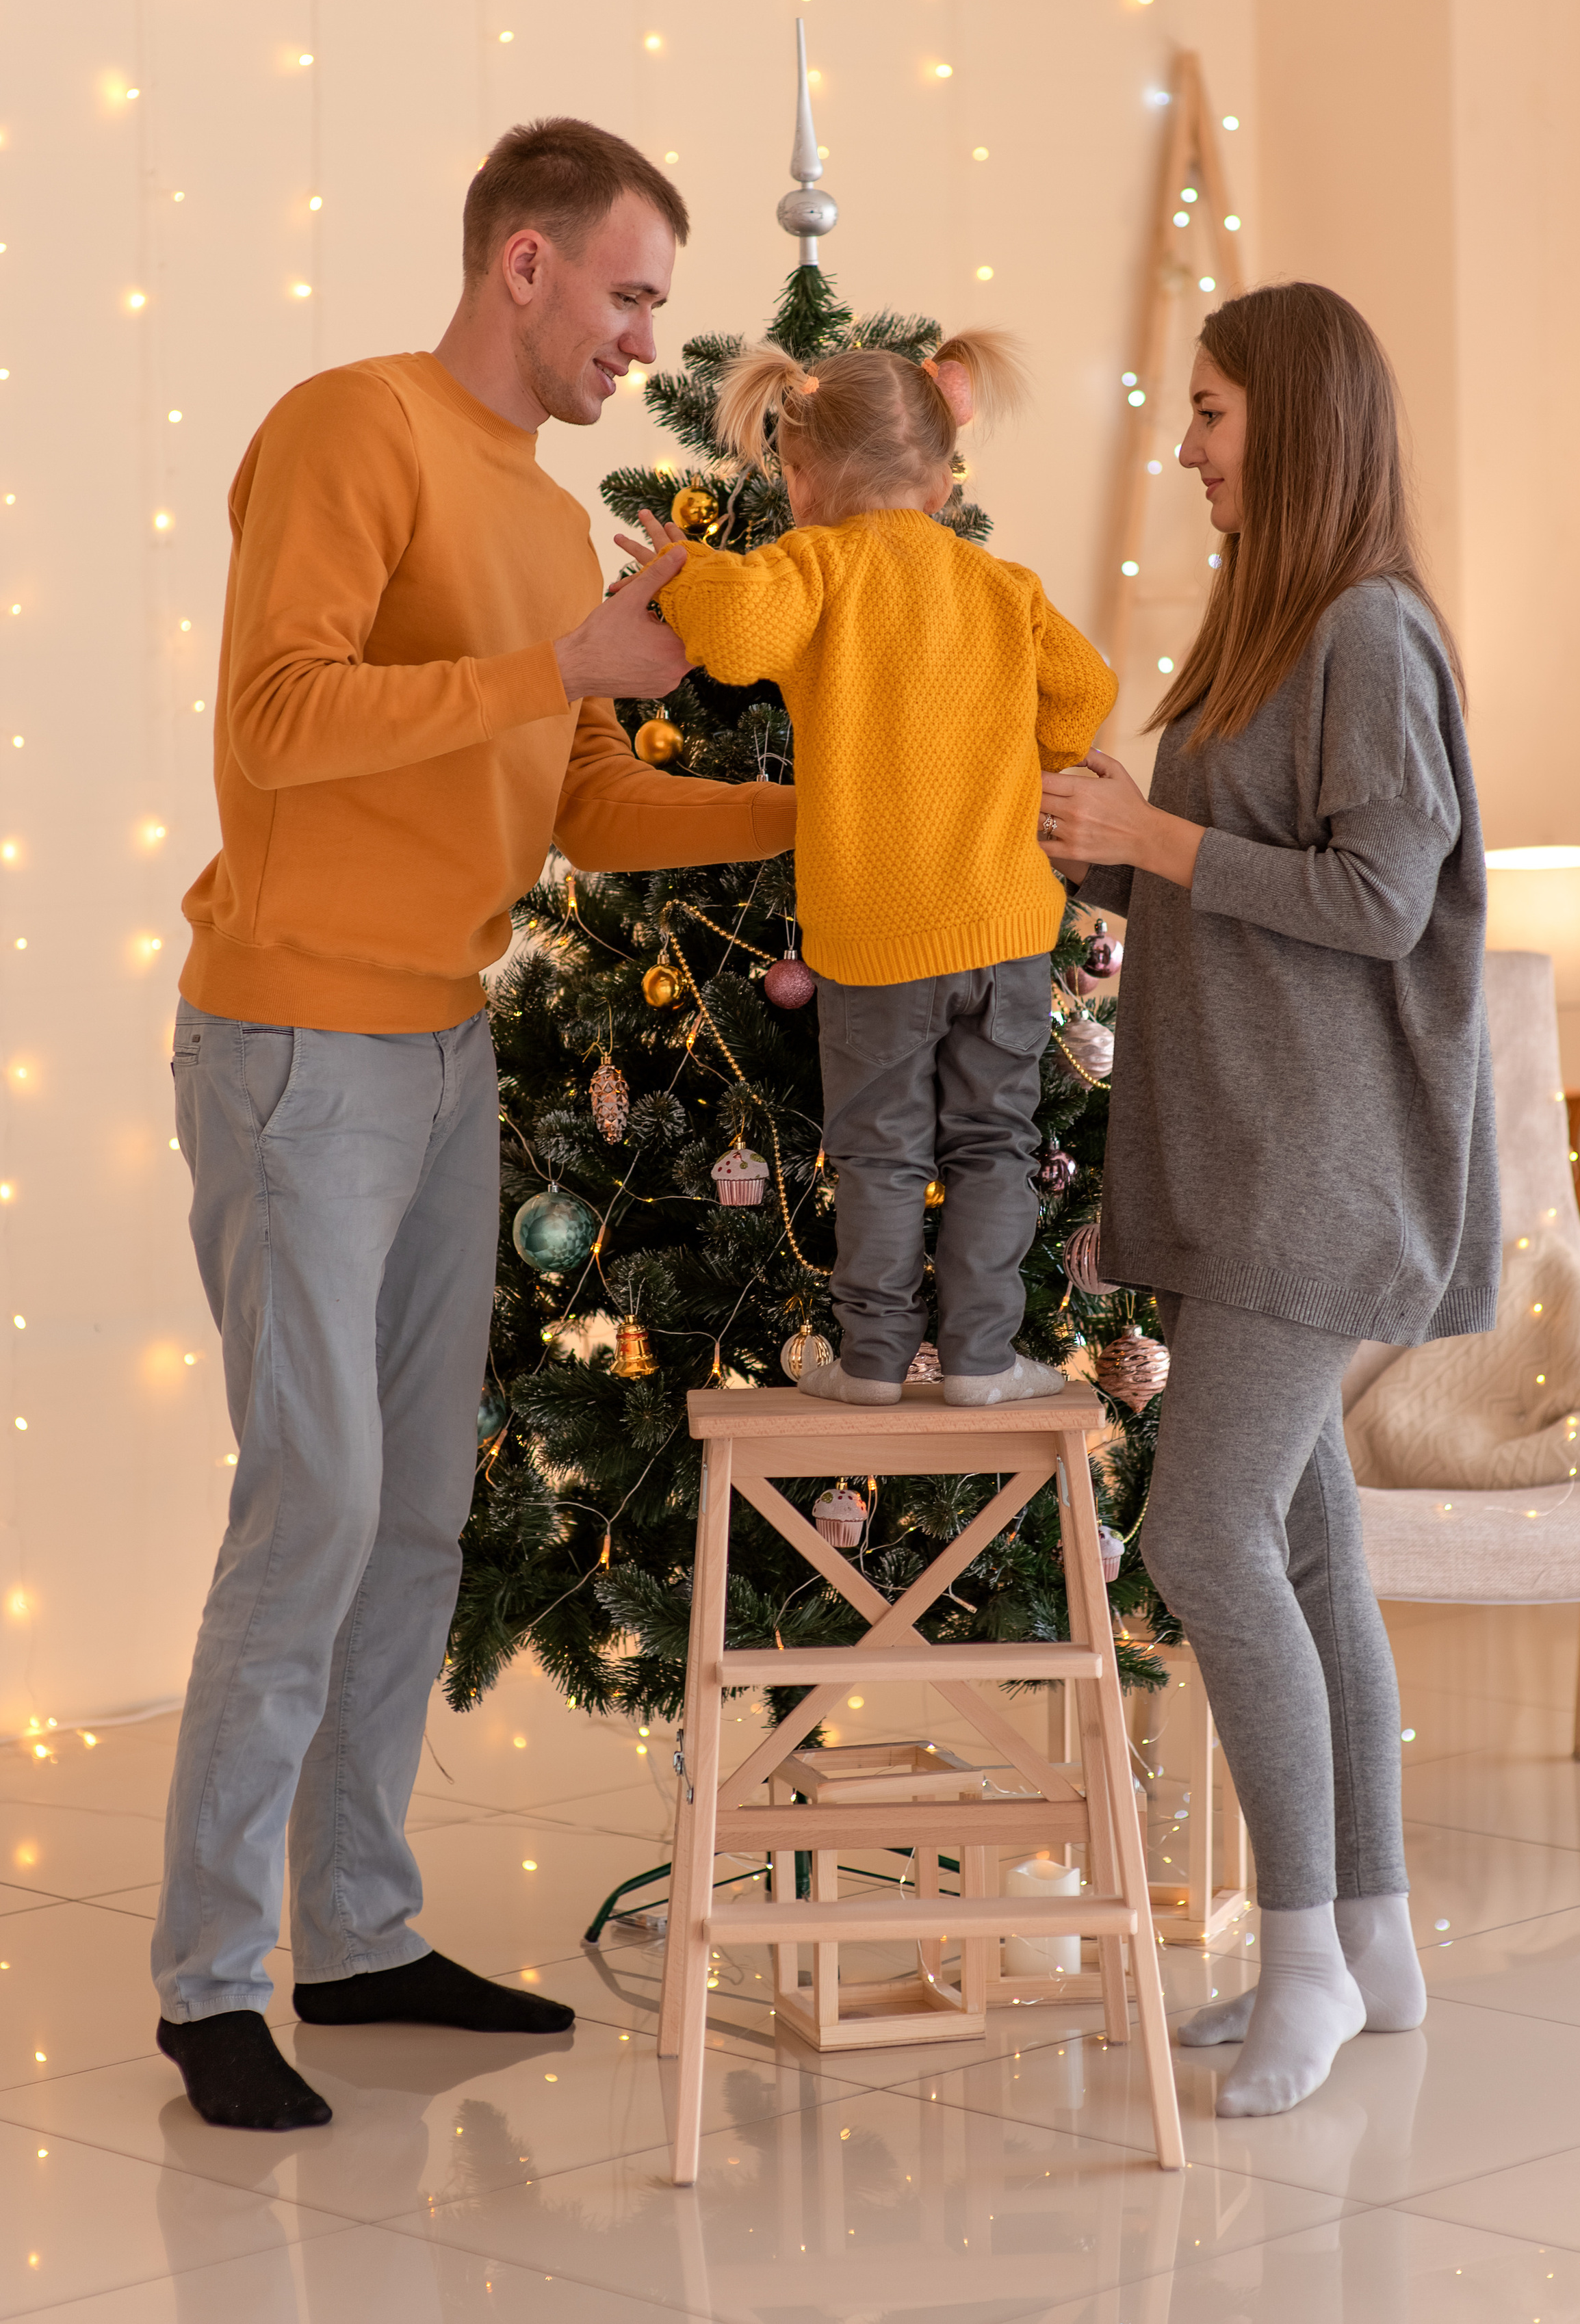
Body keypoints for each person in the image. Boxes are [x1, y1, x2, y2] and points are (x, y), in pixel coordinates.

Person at [154, 118, 797, 2132]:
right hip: (293, 1048)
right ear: (522, 264)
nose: (639, 337)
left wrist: (822, 817)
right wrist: (552, 660)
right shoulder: (351, 429)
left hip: (444, 1059)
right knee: (316, 1503)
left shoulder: (551, 512)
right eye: (625, 293)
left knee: (422, 1503)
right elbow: (274, 716)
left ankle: (355, 1934)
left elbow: (587, 801)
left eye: (655, 310)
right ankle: (204, 1981)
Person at [1039, 281, 1499, 2117]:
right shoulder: (1264, 629)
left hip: (1320, 1178)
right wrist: (1114, 862)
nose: (1187, 444)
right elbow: (1257, 894)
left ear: (1292, 423)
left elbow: (1383, 900)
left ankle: (1296, 1947)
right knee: (1308, 1545)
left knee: (1200, 1536)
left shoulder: (1372, 637)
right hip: (1248, 1155)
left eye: (1213, 411)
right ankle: (1366, 1938)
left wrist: (1153, 839)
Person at [619, 332, 1113, 1405]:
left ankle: (876, 1362)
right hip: (1008, 931)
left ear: (800, 477)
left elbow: (738, 640)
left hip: (877, 935)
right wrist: (1033, 760)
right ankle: (984, 1358)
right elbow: (1084, 689)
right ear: (941, 476)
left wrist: (688, 570)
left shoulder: (815, 566)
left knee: (883, 1154)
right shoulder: (1000, 582)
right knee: (995, 1142)